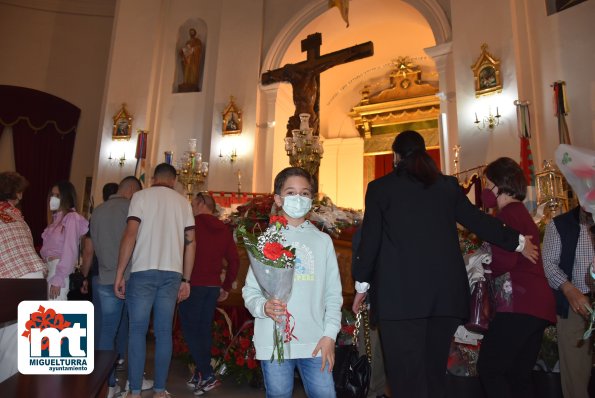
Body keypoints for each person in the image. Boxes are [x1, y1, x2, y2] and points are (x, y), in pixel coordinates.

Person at [351, 131, 539, 398]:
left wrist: (361, 284)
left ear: (395, 157)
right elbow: (478, 221)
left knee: (406, 381)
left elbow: (370, 242)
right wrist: (518, 241)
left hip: (400, 300)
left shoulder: (380, 189)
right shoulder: (447, 187)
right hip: (444, 300)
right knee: (434, 376)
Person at [242, 167, 343, 398]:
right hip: (274, 339)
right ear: (278, 198)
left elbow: (333, 294)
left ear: (311, 199)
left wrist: (330, 335)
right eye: (291, 192)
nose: (298, 198)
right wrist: (263, 307)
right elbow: (251, 290)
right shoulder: (267, 240)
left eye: (305, 193)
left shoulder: (322, 241)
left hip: (316, 341)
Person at [476, 157, 556, 398]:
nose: (486, 191)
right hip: (537, 306)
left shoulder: (505, 218)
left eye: (488, 184)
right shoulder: (520, 213)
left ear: (501, 185)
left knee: (490, 369)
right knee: (518, 376)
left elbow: (504, 262)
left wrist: (480, 264)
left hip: (518, 304)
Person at [114, 163, 195, 398]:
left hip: (142, 272)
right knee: (163, 333)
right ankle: (160, 390)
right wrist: (187, 279)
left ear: (153, 178)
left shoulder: (140, 196)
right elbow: (191, 242)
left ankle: (135, 391)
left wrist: (120, 273)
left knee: (137, 331)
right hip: (172, 274)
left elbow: (130, 234)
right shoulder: (183, 202)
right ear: (174, 180)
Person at [82, 177, 145, 398]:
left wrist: (86, 274)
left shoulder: (97, 211)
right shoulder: (131, 209)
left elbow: (90, 246)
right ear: (131, 190)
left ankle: (106, 384)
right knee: (133, 331)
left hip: (104, 278)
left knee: (106, 333)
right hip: (129, 278)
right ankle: (133, 381)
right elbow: (136, 242)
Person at [180, 193, 240, 395]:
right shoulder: (223, 228)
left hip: (193, 284)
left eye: (193, 204)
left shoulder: (192, 224)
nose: (192, 207)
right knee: (203, 330)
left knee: (189, 329)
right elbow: (234, 260)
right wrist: (226, 287)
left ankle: (207, 375)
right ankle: (200, 373)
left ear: (202, 204)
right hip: (212, 287)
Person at [543, 205, 594, 398]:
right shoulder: (560, 224)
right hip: (575, 304)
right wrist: (569, 289)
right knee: (576, 377)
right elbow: (548, 263)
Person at [0, 172, 47, 383]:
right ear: (17, 194)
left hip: (9, 281)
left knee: (9, 340)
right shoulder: (18, 217)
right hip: (34, 280)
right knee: (15, 341)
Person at [40, 180, 89, 301]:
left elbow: (70, 250)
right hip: (49, 269)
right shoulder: (55, 220)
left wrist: (58, 278)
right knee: (48, 315)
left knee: (55, 315)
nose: (53, 198)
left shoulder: (71, 217)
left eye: (57, 195)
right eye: (52, 195)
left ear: (66, 198)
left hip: (59, 270)